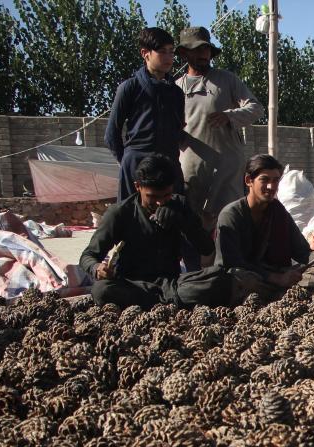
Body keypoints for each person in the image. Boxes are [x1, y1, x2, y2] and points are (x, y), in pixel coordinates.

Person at [79, 154, 226, 308]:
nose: (160, 202)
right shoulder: (120, 213)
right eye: (153, 196)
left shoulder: (179, 204)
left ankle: (162, 302)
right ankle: (169, 303)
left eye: (166, 195)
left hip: (172, 285)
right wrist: (97, 268)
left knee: (219, 278)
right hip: (133, 285)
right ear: (138, 187)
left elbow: (207, 248)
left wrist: (182, 222)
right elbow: (88, 256)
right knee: (101, 290)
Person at [216, 154, 314, 300]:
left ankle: (280, 296)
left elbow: (302, 252)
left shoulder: (278, 211)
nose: (271, 187)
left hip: (278, 274)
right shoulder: (231, 214)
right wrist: (275, 278)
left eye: (275, 181)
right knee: (240, 278)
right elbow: (232, 263)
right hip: (250, 277)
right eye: (264, 180)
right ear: (248, 181)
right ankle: (280, 296)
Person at [176, 27, 265, 233]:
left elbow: (256, 108)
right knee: (192, 223)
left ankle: (230, 264)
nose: (203, 54)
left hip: (226, 167)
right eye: (197, 50)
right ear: (184, 53)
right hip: (191, 168)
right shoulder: (175, 88)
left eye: (206, 49)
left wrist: (229, 116)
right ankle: (197, 264)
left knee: (228, 220)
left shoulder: (226, 80)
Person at [105, 27, 185, 203]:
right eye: (162, 52)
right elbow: (111, 134)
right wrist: (129, 161)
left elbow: (178, 130)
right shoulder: (130, 88)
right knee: (131, 220)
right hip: (137, 164)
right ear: (145, 53)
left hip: (169, 164)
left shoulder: (177, 93)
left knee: (173, 219)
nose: (169, 57)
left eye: (171, 52)